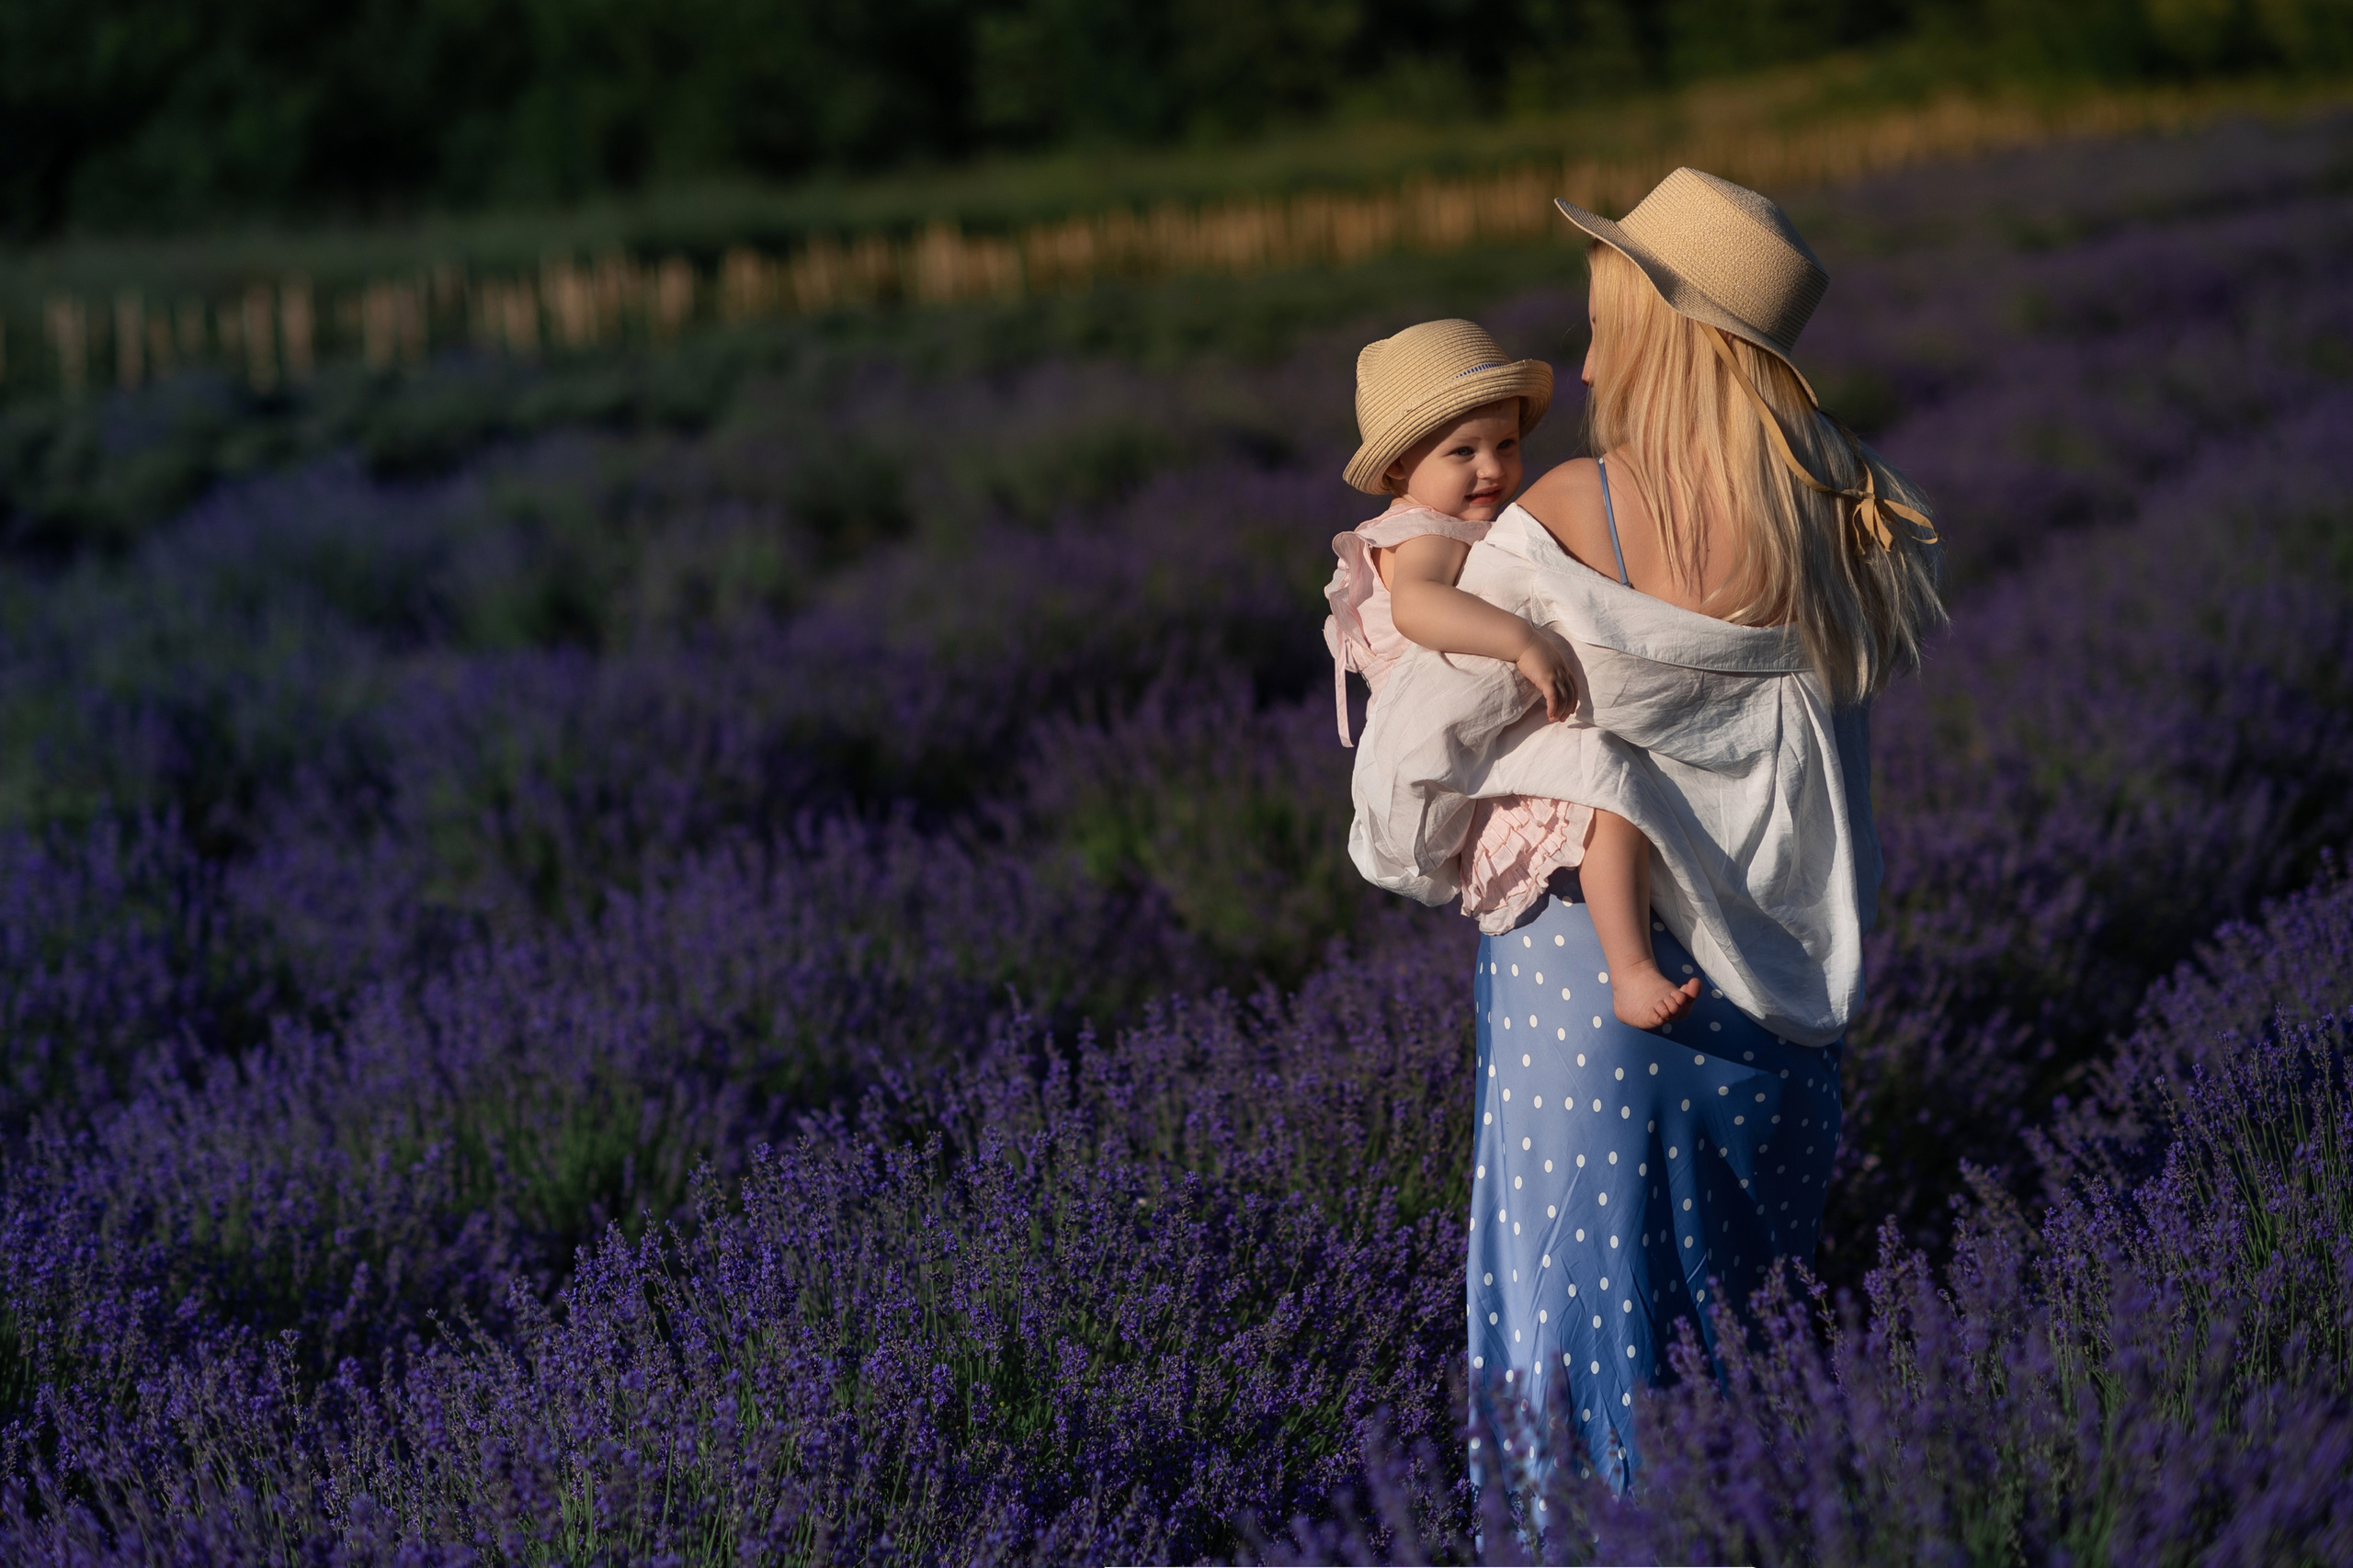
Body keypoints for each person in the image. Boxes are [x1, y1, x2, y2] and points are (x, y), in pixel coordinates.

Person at [1340, 168, 1946, 1502]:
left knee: (1578, 1330)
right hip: (1782, 999)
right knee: (1747, 1339)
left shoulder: (1565, 513)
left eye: (1612, 321)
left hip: (1590, 997)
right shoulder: (1846, 522)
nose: (1595, 354)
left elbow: (1411, 776)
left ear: (1667, 338)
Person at [1324, 321, 1701, 1031]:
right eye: (1461, 451)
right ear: (1401, 466)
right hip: (1458, 732)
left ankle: (1631, 961)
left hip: (1475, 734)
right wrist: (1521, 639)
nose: (1491, 468)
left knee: (1609, 786)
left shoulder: (1446, 520)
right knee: (1606, 782)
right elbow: (1419, 607)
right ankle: (1631, 971)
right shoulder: (1423, 533)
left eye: (1506, 445)